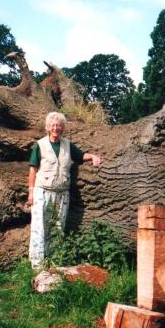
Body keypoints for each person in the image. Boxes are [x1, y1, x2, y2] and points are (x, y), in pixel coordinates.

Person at [27, 112, 101, 269]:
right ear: (48, 127)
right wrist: (31, 193)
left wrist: (93, 156)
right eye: (53, 125)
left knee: (58, 227)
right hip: (42, 192)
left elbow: (81, 156)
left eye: (59, 125)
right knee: (39, 228)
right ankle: (37, 266)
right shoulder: (39, 145)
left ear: (62, 128)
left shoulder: (67, 145)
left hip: (62, 193)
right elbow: (33, 171)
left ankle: (54, 263)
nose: (56, 128)